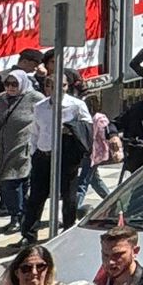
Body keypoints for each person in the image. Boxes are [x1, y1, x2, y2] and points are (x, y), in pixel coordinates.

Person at [18, 67, 91, 241]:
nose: (62, 89)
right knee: (36, 197)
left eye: (64, 85)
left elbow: (88, 126)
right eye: (56, 86)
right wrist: (34, 151)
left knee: (68, 196)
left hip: (67, 157)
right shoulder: (40, 107)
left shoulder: (76, 105)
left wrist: (71, 129)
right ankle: (29, 235)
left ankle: (67, 230)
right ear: (47, 88)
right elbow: (35, 131)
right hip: (43, 156)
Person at [0, 64, 39, 233]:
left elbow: (49, 117)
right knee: (13, 184)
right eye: (7, 84)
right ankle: (24, 215)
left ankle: (17, 216)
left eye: (14, 84)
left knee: (12, 183)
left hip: (23, 149)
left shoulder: (35, 99)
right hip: (1, 150)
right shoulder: (0, 101)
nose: (10, 88)